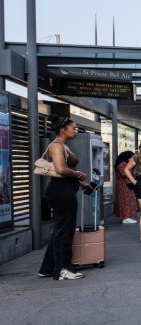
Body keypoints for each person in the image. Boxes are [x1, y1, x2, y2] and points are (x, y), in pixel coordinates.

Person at [37, 117, 92, 280]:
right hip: (61, 192)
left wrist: (82, 184)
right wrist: (79, 174)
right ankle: (62, 269)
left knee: (60, 229)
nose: (76, 131)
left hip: (64, 189)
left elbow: (63, 174)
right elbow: (61, 170)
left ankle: (47, 268)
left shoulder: (62, 145)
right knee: (65, 230)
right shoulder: (56, 146)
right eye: (74, 128)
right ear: (63, 129)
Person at [114, 150, 138, 224]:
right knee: (125, 200)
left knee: (125, 200)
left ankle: (126, 216)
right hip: (124, 184)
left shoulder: (121, 163)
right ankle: (125, 217)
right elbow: (125, 174)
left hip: (123, 184)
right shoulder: (122, 164)